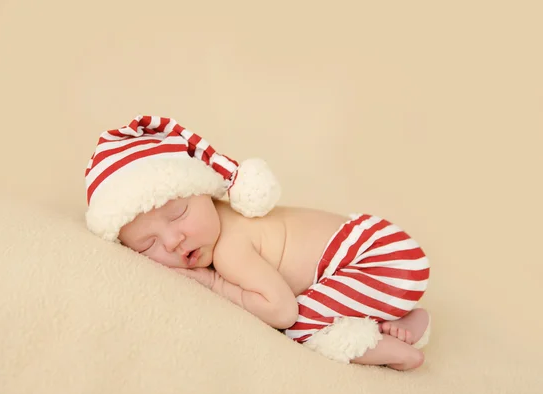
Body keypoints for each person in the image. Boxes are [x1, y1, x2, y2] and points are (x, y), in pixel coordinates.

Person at [84, 115, 431, 371]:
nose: (174, 241)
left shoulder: (230, 248)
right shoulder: (222, 219)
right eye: (148, 246)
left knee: (298, 327)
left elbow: (281, 310)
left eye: (178, 214)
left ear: (204, 191)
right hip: (389, 254)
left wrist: (212, 282)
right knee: (319, 304)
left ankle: (396, 353)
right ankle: (409, 317)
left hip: (379, 261)